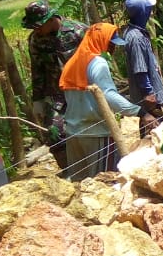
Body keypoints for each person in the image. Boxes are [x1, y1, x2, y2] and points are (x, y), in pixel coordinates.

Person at [59, 23, 145, 181]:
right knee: (107, 183)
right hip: (97, 133)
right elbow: (109, 96)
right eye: (111, 43)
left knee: (80, 186)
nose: (113, 48)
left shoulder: (72, 63)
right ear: (101, 41)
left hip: (74, 133)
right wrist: (139, 112)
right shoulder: (98, 64)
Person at [23, 1, 87, 168]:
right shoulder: (35, 40)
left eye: (38, 26)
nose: (36, 30)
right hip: (57, 95)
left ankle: (100, 164)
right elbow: (37, 70)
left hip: (84, 90)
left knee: (92, 127)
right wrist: (37, 100)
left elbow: (96, 60)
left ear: (50, 19)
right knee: (53, 133)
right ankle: (70, 171)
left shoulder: (78, 31)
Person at [118, 0, 163, 137]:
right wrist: (148, 93)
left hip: (147, 95)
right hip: (147, 98)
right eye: (148, 9)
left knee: (155, 130)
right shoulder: (136, 38)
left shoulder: (135, 33)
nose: (150, 12)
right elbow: (140, 69)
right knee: (155, 133)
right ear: (143, 12)